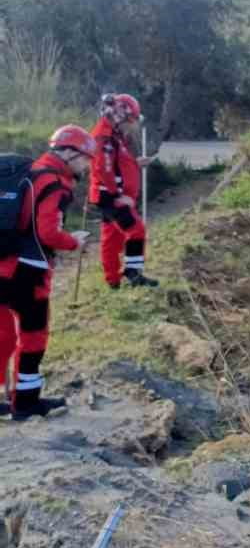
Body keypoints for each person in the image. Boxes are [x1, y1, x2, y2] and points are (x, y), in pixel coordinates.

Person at [0, 125, 95, 420]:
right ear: (68, 152)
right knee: (33, 336)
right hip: (28, 272)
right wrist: (73, 241)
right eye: (85, 158)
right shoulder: (54, 182)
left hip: (1, 262)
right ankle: (26, 404)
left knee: (2, 335)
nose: (88, 165)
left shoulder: (27, 171)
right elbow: (47, 233)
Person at [89, 92, 158, 290]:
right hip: (111, 196)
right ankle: (133, 273)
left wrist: (135, 164)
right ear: (119, 115)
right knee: (136, 229)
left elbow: (116, 165)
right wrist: (118, 196)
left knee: (112, 237)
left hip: (110, 195)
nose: (133, 125)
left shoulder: (114, 135)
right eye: (131, 120)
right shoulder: (105, 136)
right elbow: (103, 169)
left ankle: (113, 281)